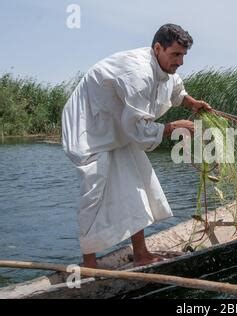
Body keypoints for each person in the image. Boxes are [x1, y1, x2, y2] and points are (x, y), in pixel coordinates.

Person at [62, 23, 211, 268]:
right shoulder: (138, 73)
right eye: (175, 54)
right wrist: (171, 128)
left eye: (183, 55)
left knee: (137, 183)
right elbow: (140, 130)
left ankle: (141, 253)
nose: (180, 62)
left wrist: (192, 103)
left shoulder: (165, 68)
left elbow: (174, 90)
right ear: (157, 48)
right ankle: (89, 264)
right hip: (89, 126)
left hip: (118, 125)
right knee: (95, 189)